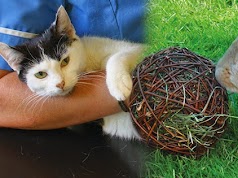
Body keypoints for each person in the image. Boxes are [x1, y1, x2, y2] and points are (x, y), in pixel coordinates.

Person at [0, 1, 145, 129]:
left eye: (65, 62)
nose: (59, 82)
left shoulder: (91, 48)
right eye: (41, 74)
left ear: (70, 33)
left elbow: (138, 52)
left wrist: (117, 65)